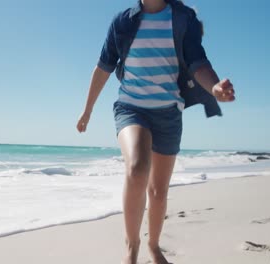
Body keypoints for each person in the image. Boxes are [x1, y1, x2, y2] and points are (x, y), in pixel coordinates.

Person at [76, 0, 235, 263]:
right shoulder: (123, 21)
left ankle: (154, 245)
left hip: (169, 113)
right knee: (137, 168)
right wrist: (87, 110)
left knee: (158, 191)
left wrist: (215, 88)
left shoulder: (183, 18)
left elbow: (198, 62)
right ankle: (132, 246)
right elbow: (103, 66)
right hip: (131, 107)